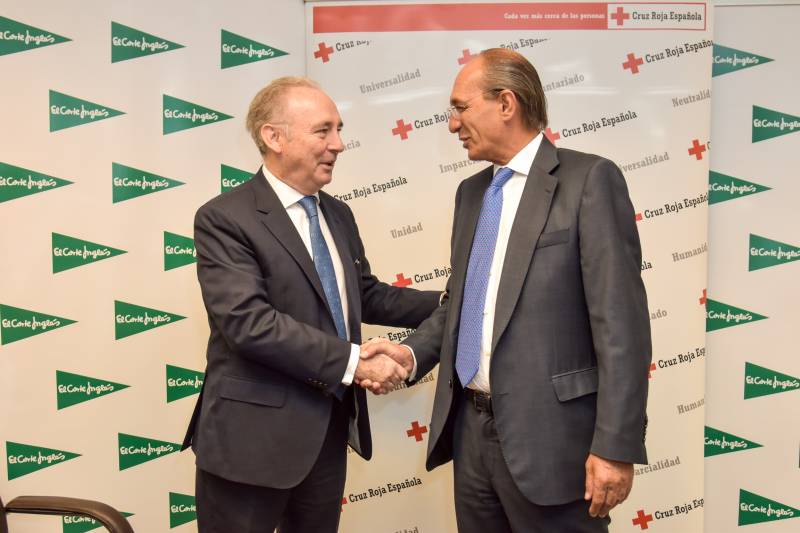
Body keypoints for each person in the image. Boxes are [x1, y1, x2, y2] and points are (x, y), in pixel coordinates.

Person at [361, 48, 651, 532]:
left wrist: (615, 446)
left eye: (460, 107)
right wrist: (408, 356)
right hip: (471, 438)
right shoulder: (470, 195)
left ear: (506, 103)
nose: (453, 124)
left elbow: (621, 326)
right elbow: (462, 305)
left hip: (556, 446)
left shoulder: (589, 181)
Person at [181, 76, 440, 533]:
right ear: (273, 136)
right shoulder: (224, 218)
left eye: (339, 130)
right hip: (249, 445)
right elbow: (249, 323)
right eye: (324, 131)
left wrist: (454, 301)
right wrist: (356, 362)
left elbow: (366, 294)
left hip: (326, 434)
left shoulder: (337, 213)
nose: (338, 144)